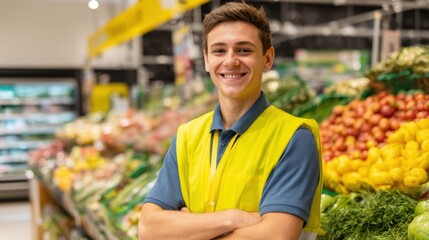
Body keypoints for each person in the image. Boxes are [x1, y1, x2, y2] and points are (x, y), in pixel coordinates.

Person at [138, 2, 322, 240]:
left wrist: (186, 227)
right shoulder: (187, 136)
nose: (231, 61)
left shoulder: (294, 138)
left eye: (244, 50)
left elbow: (276, 236)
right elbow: (149, 229)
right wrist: (233, 218)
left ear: (268, 58)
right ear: (206, 60)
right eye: (219, 51)